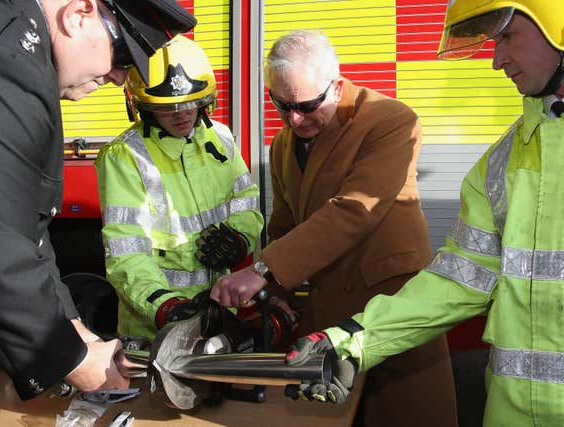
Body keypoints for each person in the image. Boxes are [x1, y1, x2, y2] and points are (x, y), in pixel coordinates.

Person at [283, 1, 564, 426]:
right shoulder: (501, 164)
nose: (496, 60)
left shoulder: (388, 122)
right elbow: (456, 281)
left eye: (506, 36)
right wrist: (351, 341)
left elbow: (354, 212)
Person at [0, 0, 195, 424]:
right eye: (122, 55)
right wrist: (73, 360)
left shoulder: (8, 40)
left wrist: (74, 327)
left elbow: (25, 226)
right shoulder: (1, 58)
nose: (119, 77)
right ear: (79, 14)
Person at [210, 30, 458, 426]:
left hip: (392, 309)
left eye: (307, 105)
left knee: (407, 414)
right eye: (281, 104)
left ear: (337, 85)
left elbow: (355, 210)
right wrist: (271, 292)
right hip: (328, 319)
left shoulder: (391, 121)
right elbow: (285, 224)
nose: (294, 119)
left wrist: (263, 271)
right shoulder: (281, 146)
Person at [95, 35, 263, 341]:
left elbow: (246, 201)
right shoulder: (124, 157)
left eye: (189, 103)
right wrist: (164, 305)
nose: (183, 114)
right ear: (144, 108)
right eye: (168, 107)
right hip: (155, 327)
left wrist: (240, 237)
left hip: (219, 312)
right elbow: (125, 250)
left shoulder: (221, 138)